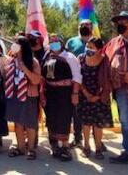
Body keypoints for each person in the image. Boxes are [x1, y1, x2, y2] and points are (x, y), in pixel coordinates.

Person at [100, 12, 128, 164]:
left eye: (123, 22)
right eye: (118, 22)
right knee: (127, 122)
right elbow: (103, 60)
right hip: (121, 89)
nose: (119, 24)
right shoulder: (113, 43)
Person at [40, 34, 81, 162]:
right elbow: (42, 76)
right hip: (50, 93)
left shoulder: (69, 57)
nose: (53, 43)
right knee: (52, 118)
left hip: (65, 93)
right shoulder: (47, 56)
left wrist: (75, 93)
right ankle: (55, 145)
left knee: (63, 118)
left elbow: (77, 77)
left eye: (56, 41)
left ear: (61, 43)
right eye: (51, 41)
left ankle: (65, 147)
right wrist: (42, 93)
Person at [6, 36, 42, 160]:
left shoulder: (33, 62)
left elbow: (37, 80)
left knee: (30, 124)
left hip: (29, 95)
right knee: (18, 123)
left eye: (16, 43)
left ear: (23, 46)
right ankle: (20, 148)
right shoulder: (11, 60)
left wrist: (25, 69)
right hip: (15, 95)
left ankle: (31, 149)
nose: (14, 45)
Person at [77, 37, 113, 160]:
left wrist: (97, 95)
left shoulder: (105, 61)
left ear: (99, 49)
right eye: (87, 45)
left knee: (98, 125)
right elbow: (77, 78)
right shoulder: (80, 58)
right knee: (86, 124)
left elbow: (108, 79)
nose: (88, 48)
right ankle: (86, 147)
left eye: (92, 47)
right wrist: (86, 94)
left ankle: (98, 148)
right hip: (84, 96)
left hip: (100, 96)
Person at [65, 20, 94, 149]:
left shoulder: (97, 41)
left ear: (92, 28)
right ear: (78, 28)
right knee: (76, 111)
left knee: (93, 110)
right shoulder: (71, 42)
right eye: (82, 25)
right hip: (75, 81)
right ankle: (78, 138)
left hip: (92, 81)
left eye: (87, 25)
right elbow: (65, 58)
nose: (85, 27)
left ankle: (98, 140)